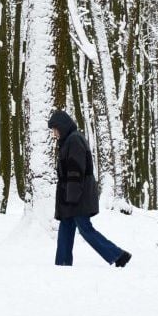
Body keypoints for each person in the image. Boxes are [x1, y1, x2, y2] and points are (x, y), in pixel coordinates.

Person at [48, 109, 132, 268]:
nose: (54, 133)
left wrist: (71, 197)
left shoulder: (74, 141)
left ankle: (118, 255)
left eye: (55, 129)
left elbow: (75, 170)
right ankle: (62, 264)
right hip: (71, 195)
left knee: (85, 229)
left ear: (63, 127)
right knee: (66, 226)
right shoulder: (68, 141)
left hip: (78, 195)